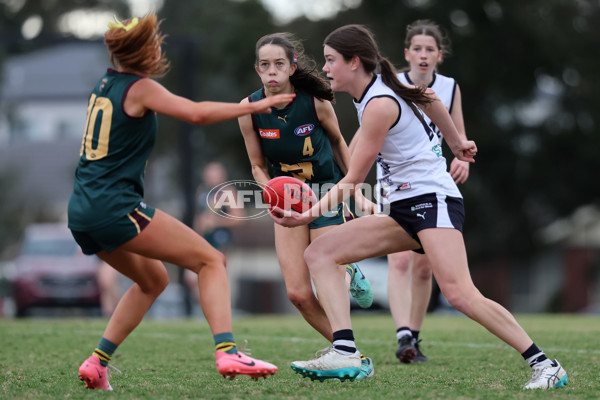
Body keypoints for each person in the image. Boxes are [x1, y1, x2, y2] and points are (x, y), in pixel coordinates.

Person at [271, 24, 568, 390]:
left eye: (331, 60)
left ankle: (545, 364)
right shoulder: (375, 92)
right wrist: (457, 142)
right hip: (403, 208)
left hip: (433, 200)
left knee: (460, 294)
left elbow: (352, 179)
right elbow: (429, 98)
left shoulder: (379, 104)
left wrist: (308, 213)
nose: (327, 68)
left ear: (354, 61)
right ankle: (345, 350)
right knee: (320, 253)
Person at [68, 14, 295, 391]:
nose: (160, 47)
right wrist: (251, 109)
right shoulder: (139, 88)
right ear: (142, 51)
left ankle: (97, 363)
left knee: (153, 279)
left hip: (82, 210)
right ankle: (228, 352)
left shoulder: (104, 84)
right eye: (155, 42)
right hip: (114, 207)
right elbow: (197, 113)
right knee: (211, 260)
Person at [237, 32, 375, 379]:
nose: (271, 71)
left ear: (291, 67)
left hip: (326, 192)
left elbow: (340, 144)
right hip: (287, 201)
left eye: (278, 64)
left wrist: (355, 192)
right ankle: (351, 353)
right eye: (265, 65)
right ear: (257, 69)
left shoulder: (314, 102)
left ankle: (346, 293)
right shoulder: (249, 109)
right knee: (298, 294)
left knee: (326, 270)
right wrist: (268, 190)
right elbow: (256, 164)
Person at [388, 19, 470, 364]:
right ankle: (402, 332)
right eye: (417, 49)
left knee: (424, 268)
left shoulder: (450, 88)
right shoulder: (389, 84)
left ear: (439, 55)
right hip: (392, 180)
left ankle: (414, 339)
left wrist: (463, 160)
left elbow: (459, 139)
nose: (423, 55)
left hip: (430, 182)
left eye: (430, 50)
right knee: (401, 259)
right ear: (407, 54)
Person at [184, 161, 245, 304]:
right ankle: (204, 306)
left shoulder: (228, 192)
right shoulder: (202, 191)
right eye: (209, 173)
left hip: (221, 241)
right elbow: (200, 217)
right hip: (204, 239)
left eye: (215, 174)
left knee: (218, 276)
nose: (212, 177)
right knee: (192, 277)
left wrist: (216, 221)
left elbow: (239, 218)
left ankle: (220, 308)